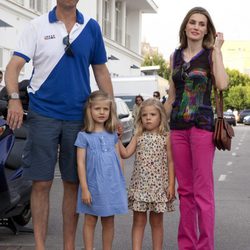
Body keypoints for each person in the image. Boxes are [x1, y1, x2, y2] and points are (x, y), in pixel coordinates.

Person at [4, 1, 113, 250]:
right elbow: (13, 67)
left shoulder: (91, 28)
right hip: (43, 115)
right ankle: (41, 247)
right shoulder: (37, 25)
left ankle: (69, 247)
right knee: (41, 183)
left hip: (78, 117)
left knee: (73, 183)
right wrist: (13, 99)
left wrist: (111, 113)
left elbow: (101, 71)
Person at [164, 7, 229, 250]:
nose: (196, 27)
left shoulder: (211, 54)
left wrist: (218, 52)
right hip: (178, 129)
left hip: (202, 128)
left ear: (207, 30)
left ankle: (205, 246)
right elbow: (172, 96)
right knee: (186, 192)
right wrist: (159, 124)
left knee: (203, 193)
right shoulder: (175, 56)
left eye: (202, 24)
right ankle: (187, 245)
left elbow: (222, 83)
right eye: (193, 22)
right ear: (185, 26)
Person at [119, 98, 175, 250]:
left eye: (152, 114)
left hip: (159, 188)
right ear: (140, 118)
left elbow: (171, 162)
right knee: (138, 221)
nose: (148, 118)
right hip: (140, 188)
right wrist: (117, 138)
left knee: (157, 223)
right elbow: (125, 154)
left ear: (161, 116)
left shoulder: (166, 137)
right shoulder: (138, 136)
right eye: (144, 115)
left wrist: (171, 185)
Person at [75, 90, 128, 250]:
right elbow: (81, 164)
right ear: (89, 110)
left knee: (109, 221)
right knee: (90, 220)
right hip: (92, 186)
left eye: (105, 109)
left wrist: (120, 184)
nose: (102, 112)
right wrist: (84, 189)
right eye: (97, 109)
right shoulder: (84, 136)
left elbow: (119, 159)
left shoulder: (113, 134)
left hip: (111, 187)